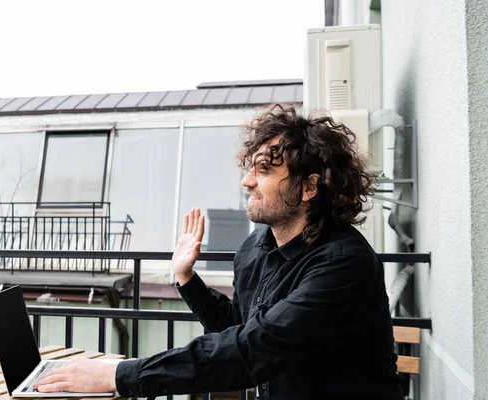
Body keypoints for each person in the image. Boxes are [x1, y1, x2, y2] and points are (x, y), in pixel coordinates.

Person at [34, 104, 404, 399]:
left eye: (264, 170)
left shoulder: (342, 263)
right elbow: (238, 329)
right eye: (250, 168)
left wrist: (120, 375)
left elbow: (253, 349)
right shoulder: (255, 249)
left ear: (309, 188)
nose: (246, 181)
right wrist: (187, 279)